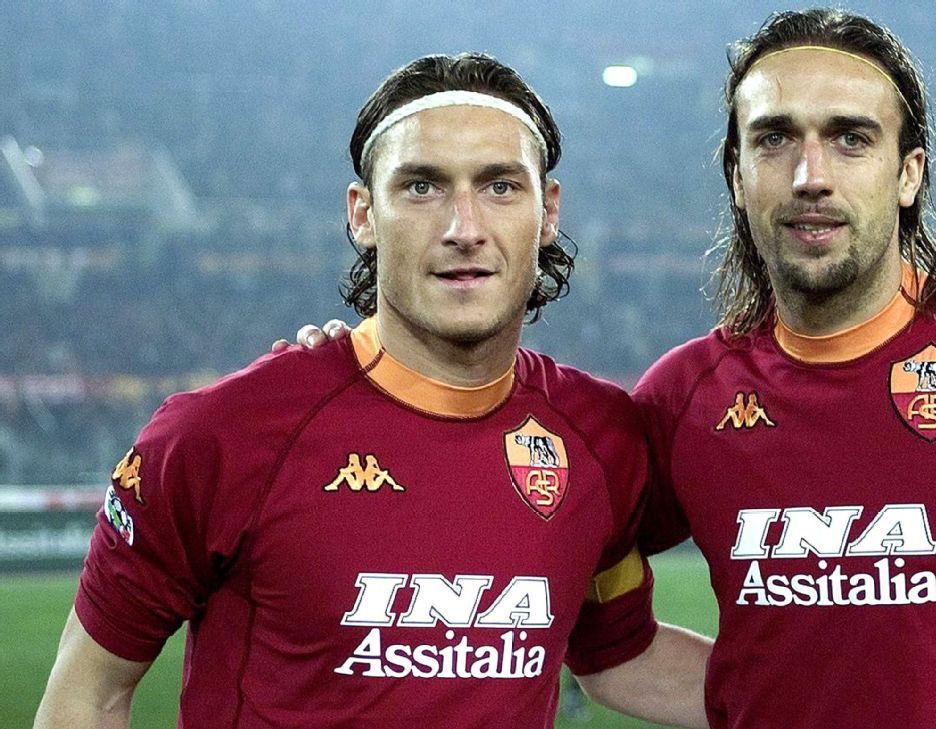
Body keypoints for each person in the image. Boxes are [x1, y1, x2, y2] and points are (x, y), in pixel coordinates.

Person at [291, 9, 936, 728]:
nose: (810, 174)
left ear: (908, 173)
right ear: (737, 172)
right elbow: (540, 530)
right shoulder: (683, 402)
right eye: (775, 138)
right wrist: (366, 389)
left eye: (850, 137)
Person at [35, 53, 708, 729]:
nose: (464, 227)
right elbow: (86, 697)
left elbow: (621, 656)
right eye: (422, 187)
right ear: (362, 214)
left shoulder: (601, 440)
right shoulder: (219, 436)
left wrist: (815, 689)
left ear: (549, 209)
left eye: (500, 186)